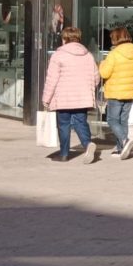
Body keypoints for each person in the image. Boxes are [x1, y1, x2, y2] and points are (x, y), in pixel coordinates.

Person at [41, 26, 100, 164]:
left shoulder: (58, 55)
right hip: (82, 98)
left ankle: (64, 154)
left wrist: (46, 99)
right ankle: (87, 144)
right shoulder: (88, 55)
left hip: (64, 98)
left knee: (64, 125)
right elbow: (96, 77)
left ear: (64, 38)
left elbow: (51, 80)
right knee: (80, 122)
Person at [99, 26, 133, 159]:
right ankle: (120, 149)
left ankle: (125, 140)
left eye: (112, 37)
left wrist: (101, 63)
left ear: (116, 38)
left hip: (116, 92)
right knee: (123, 121)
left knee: (112, 120)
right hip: (130, 92)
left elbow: (104, 72)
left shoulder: (114, 54)